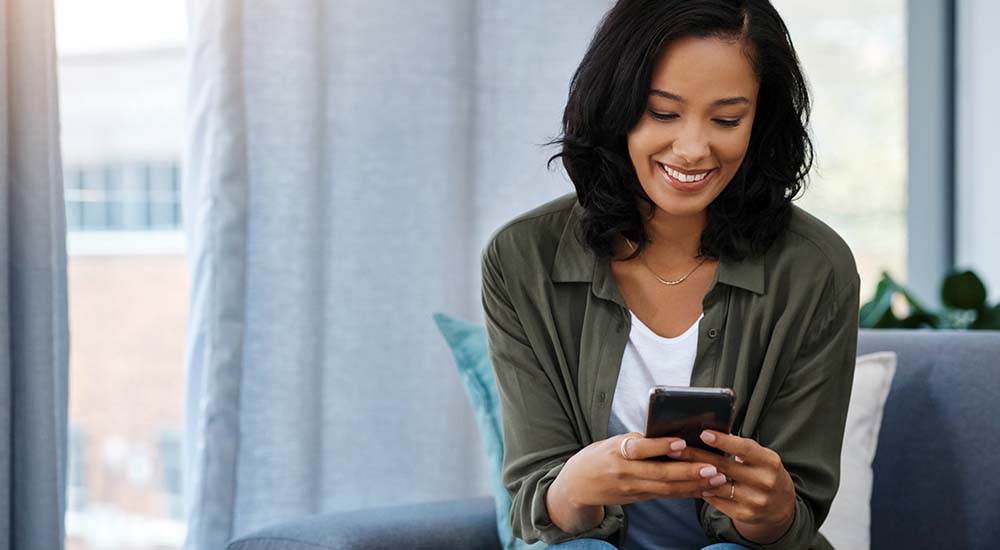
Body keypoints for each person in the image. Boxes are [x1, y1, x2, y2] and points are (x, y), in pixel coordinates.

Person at [480, 0, 861, 549]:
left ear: (762, 120)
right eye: (662, 112)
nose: (692, 148)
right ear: (616, 107)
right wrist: (579, 488)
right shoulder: (522, 259)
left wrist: (770, 506)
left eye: (727, 119)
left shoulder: (814, 268)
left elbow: (793, 521)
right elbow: (537, 512)